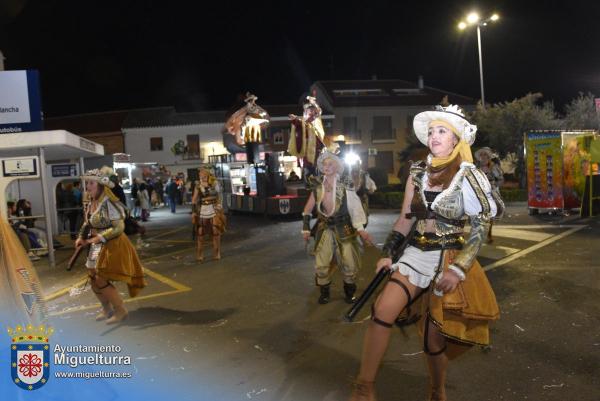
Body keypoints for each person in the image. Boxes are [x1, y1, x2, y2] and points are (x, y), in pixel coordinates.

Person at [350, 105, 501, 401]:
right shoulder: (418, 172)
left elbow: (481, 224)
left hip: (448, 258)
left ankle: (437, 390)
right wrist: (388, 253)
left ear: (456, 139)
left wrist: (459, 269)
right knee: (382, 310)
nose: (434, 136)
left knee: (434, 340)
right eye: (431, 131)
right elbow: (406, 218)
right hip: (416, 253)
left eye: (441, 131)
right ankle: (364, 387)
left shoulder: (467, 176)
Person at [302, 151, 374, 304]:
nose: (326, 167)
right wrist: (306, 229)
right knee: (321, 264)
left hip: (344, 227)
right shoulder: (317, 184)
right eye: (324, 164)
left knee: (349, 262)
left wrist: (361, 229)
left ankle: (349, 292)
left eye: (330, 164)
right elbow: (307, 209)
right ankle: (324, 293)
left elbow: (355, 207)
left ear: (336, 167)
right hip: (324, 228)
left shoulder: (345, 183)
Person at [77, 166, 146, 324]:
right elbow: (87, 223)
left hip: (113, 244)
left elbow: (119, 228)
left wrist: (99, 237)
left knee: (101, 278)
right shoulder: (90, 202)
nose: (87, 187)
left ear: (101, 185)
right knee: (92, 277)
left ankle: (120, 310)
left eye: (91, 184)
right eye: (86, 183)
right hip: (96, 245)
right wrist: (81, 237)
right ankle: (106, 308)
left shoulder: (109, 203)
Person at [192, 168, 226, 262]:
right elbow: (194, 199)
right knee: (200, 232)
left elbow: (220, 195)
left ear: (207, 174)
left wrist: (219, 205)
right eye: (200, 174)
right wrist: (194, 212)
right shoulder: (198, 185)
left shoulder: (214, 183)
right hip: (203, 209)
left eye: (203, 174)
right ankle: (200, 254)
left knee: (216, 231)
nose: (201, 176)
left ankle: (217, 252)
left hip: (214, 208)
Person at [475, 147, 505, 243]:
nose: (483, 157)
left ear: (488, 157)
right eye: (482, 155)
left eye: (485, 155)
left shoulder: (493, 167)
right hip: (479, 192)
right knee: (477, 214)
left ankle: (489, 234)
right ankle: (479, 234)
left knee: (491, 214)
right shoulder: (476, 167)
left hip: (491, 192)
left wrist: (494, 186)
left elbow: (501, 179)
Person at [350, 162, 377, 226]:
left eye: (356, 167)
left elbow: (371, 186)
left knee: (363, 220)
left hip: (362, 200)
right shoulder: (347, 175)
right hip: (351, 201)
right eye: (353, 167)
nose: (355, 172)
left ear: (359, 166)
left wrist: (371, 189)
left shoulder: (364, 175)